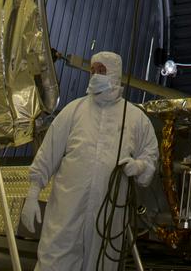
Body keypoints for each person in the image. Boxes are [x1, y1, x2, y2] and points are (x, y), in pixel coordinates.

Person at [20, 50, 159, 270]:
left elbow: (150, 157)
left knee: (101, 264)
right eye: (92, 71)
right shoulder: (74, 111)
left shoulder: (135, 118)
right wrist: (33, 193)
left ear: (114, 73)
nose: (95, 75)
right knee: (55, 260)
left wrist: (139, 166)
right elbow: (48, 153)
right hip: (67, 212)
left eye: (101, 71)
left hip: (107, 218)